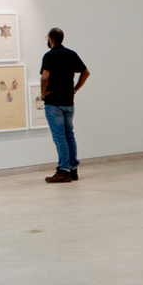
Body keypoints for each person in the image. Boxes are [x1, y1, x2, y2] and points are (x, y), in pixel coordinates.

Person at [40, 28, 89, 184]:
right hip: (68, 101)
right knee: (69, 135)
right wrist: (74, 89)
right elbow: (85, 73)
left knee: (60, 137)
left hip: (54, 102)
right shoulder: (71, 54)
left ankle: (64, 170)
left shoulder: (49, 56)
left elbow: (45, 77)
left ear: (51, 39)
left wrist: (43, 93)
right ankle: (73, 169)